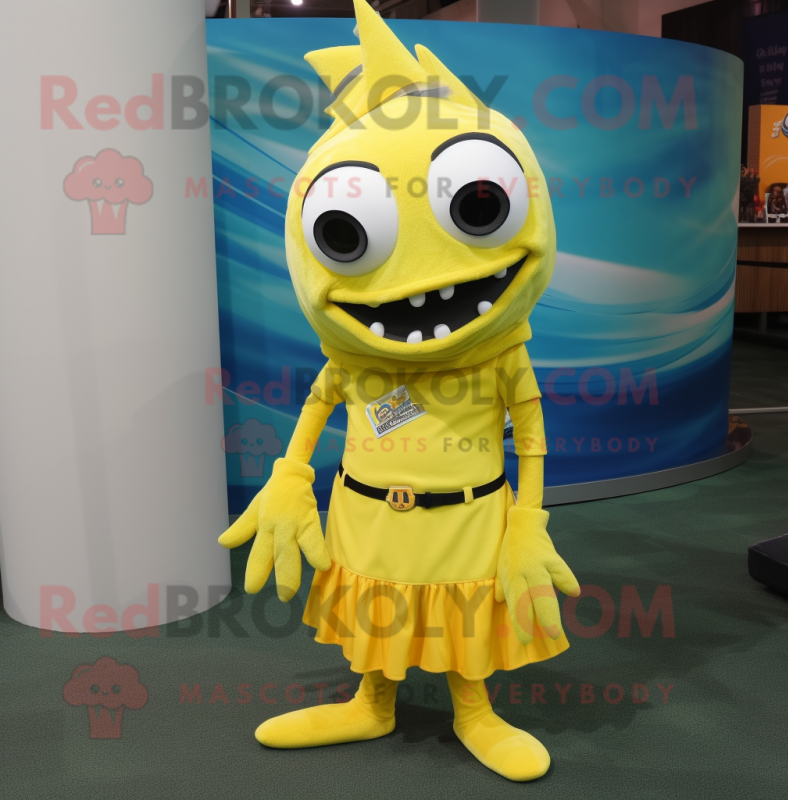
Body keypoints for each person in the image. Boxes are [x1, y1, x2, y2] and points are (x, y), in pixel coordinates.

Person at [218, 0, 579, 783]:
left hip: (467, 516)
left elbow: (531, 434)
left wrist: (527, 521)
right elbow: (318, 404)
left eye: (478, 206)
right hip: (366, 513)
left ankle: (473, 709)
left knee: (461, 610)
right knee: (375, 608)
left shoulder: (501, 354)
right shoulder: (356, 359)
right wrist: (289, 477)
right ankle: (371, 701)